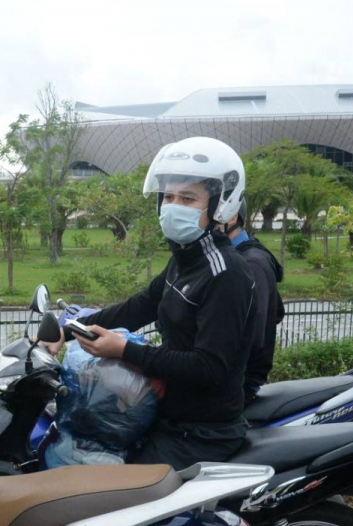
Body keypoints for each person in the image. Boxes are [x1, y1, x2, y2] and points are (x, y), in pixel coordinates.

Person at [66, 136, 257, 470]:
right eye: (168, 196)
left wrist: (124, 350)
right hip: (170, 415)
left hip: (203, 432)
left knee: (119, 496)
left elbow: (209, 367)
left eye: (187, 198)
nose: (173, 205)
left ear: (219, 205)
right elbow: (140, 306)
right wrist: (68, 330)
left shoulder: (226, 274)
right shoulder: (185, 260)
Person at [220, 198, 285, 398]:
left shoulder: (252, 263)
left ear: (231, 217)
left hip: (235, 387)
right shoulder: (229, 256)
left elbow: (253, 334)